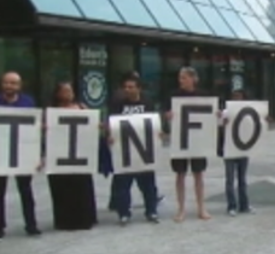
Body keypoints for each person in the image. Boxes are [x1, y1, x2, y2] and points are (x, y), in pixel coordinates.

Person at [108, 75, 160, 225]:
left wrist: (159, 134)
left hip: (144, 152)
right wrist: (109, 135)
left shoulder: (147, 103)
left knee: (148, 185)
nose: (127, 90)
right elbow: (111, 124)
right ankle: (124, 213)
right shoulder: (118, 104)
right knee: (122, 185)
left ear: (139, 88)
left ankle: (151, 211)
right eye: (125, 87)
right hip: (124, 152)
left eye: (131, 87)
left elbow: (154, 124)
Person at [46, 82, 98, 230]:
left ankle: (85, 219)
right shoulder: (52, 111)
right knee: (62, 188)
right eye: (64, 91)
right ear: (57, 93)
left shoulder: (82, 108)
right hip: (60, 155)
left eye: (70, 91)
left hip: (80, 154)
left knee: (81, 187)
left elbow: (92, 128)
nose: (68, 94)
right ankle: (64, 221)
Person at [165, 67, 212, 221]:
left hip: (197, 139)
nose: (181, 81)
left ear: (193, 79)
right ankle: (181, 208)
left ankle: (201, 207)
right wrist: (168, 116)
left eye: (184, 78)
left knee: (198, 174)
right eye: (180, 78)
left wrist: (216, 114)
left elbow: (210, 116)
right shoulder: (173, 96)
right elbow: (165, 115)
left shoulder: (203, 95)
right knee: (180, 174)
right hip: (181, 140)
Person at [0, 71, 41, 238]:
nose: (9, 86)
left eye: (13, 83)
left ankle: (31, 224)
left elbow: (34, 130)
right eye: (6, 83)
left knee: (26, 190)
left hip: (22, 152)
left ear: (19, 86)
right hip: (2, 151)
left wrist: (38, 154)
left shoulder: (28, 102)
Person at [219, 89, 253, 216]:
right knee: (230, 179)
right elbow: (220, 129)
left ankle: (244, 205)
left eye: (239, 97)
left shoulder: (248, 111)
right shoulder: (226, 112)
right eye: (234, 97)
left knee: (242, 179)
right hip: (229, 149)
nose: (236, 99)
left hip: (243, 148)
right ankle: (231, 205)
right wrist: (223, 123)